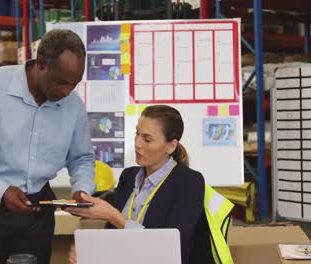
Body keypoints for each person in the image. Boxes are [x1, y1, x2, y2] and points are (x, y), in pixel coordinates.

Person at [0, 29, 96, 264]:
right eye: (62, 82)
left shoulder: (73, 106)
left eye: (74, 84)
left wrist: (82, 188)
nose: (67, 91)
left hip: (38, 212)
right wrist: (0, 189)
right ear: (41, 63)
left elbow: (81, 158)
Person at [65, 105, 208, 264]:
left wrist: (113, 216)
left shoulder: (189, 182)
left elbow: (171, 248)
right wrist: (89, 253)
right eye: (137, 134)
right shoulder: (129, 176)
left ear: (171, 146)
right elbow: (113, 238)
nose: (138, 144)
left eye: (147, 139)